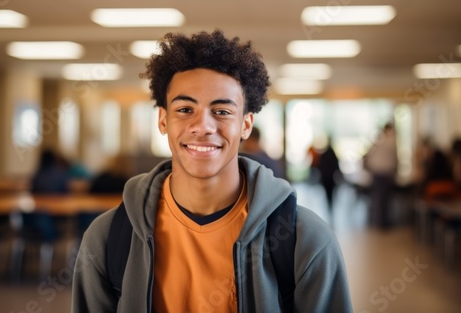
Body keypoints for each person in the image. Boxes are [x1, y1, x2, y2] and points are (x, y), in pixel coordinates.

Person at [72, 30, 352, 312]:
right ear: (163, 120)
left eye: (221, 111)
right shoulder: (108, 238)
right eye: (184, 109)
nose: (203, 126)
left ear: (246, 124)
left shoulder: (305, 241)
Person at [363, 122, 398, 229]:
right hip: (384, 173)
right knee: (384, 200)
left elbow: (368, 157)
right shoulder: (390, 141)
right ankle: (383, 222)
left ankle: (380, 221)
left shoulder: (379, 141)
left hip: (379, 173)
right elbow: (395, 158)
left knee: (380, 199)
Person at [315, 138, 341, 217]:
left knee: (328, 194)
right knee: (331, 194)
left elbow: (320, 166)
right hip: (330, 178)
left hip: (326, 178)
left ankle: (329, 207)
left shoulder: (325, 154)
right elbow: (336, 166)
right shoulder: (332, 154)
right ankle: (330, 207)